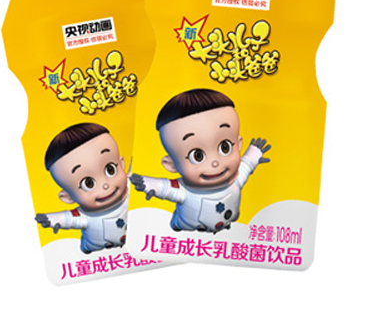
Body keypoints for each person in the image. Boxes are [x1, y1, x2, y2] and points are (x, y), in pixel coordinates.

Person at [131, 89, 271, 233]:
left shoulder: (235, 179)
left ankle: (229, 221)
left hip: (230, 220)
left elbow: (246, 165)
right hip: (188, 227)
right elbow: (165, 187)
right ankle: (176, 224)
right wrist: (146, 184)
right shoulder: (185, 190)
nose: (215, 163)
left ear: (238, 145)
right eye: (197, 156)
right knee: (178, 224)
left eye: (225, 147)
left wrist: (254, 153)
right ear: (171, 164)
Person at [35, 123, 129, 254]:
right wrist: (51, 220)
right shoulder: (83, 216)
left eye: (110, 169)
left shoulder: (133, 186)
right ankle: (87, 248)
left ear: (122, 165)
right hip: (97, 252)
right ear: (68, 197)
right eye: (88, 183)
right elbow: (66, 218)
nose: (105, 185)